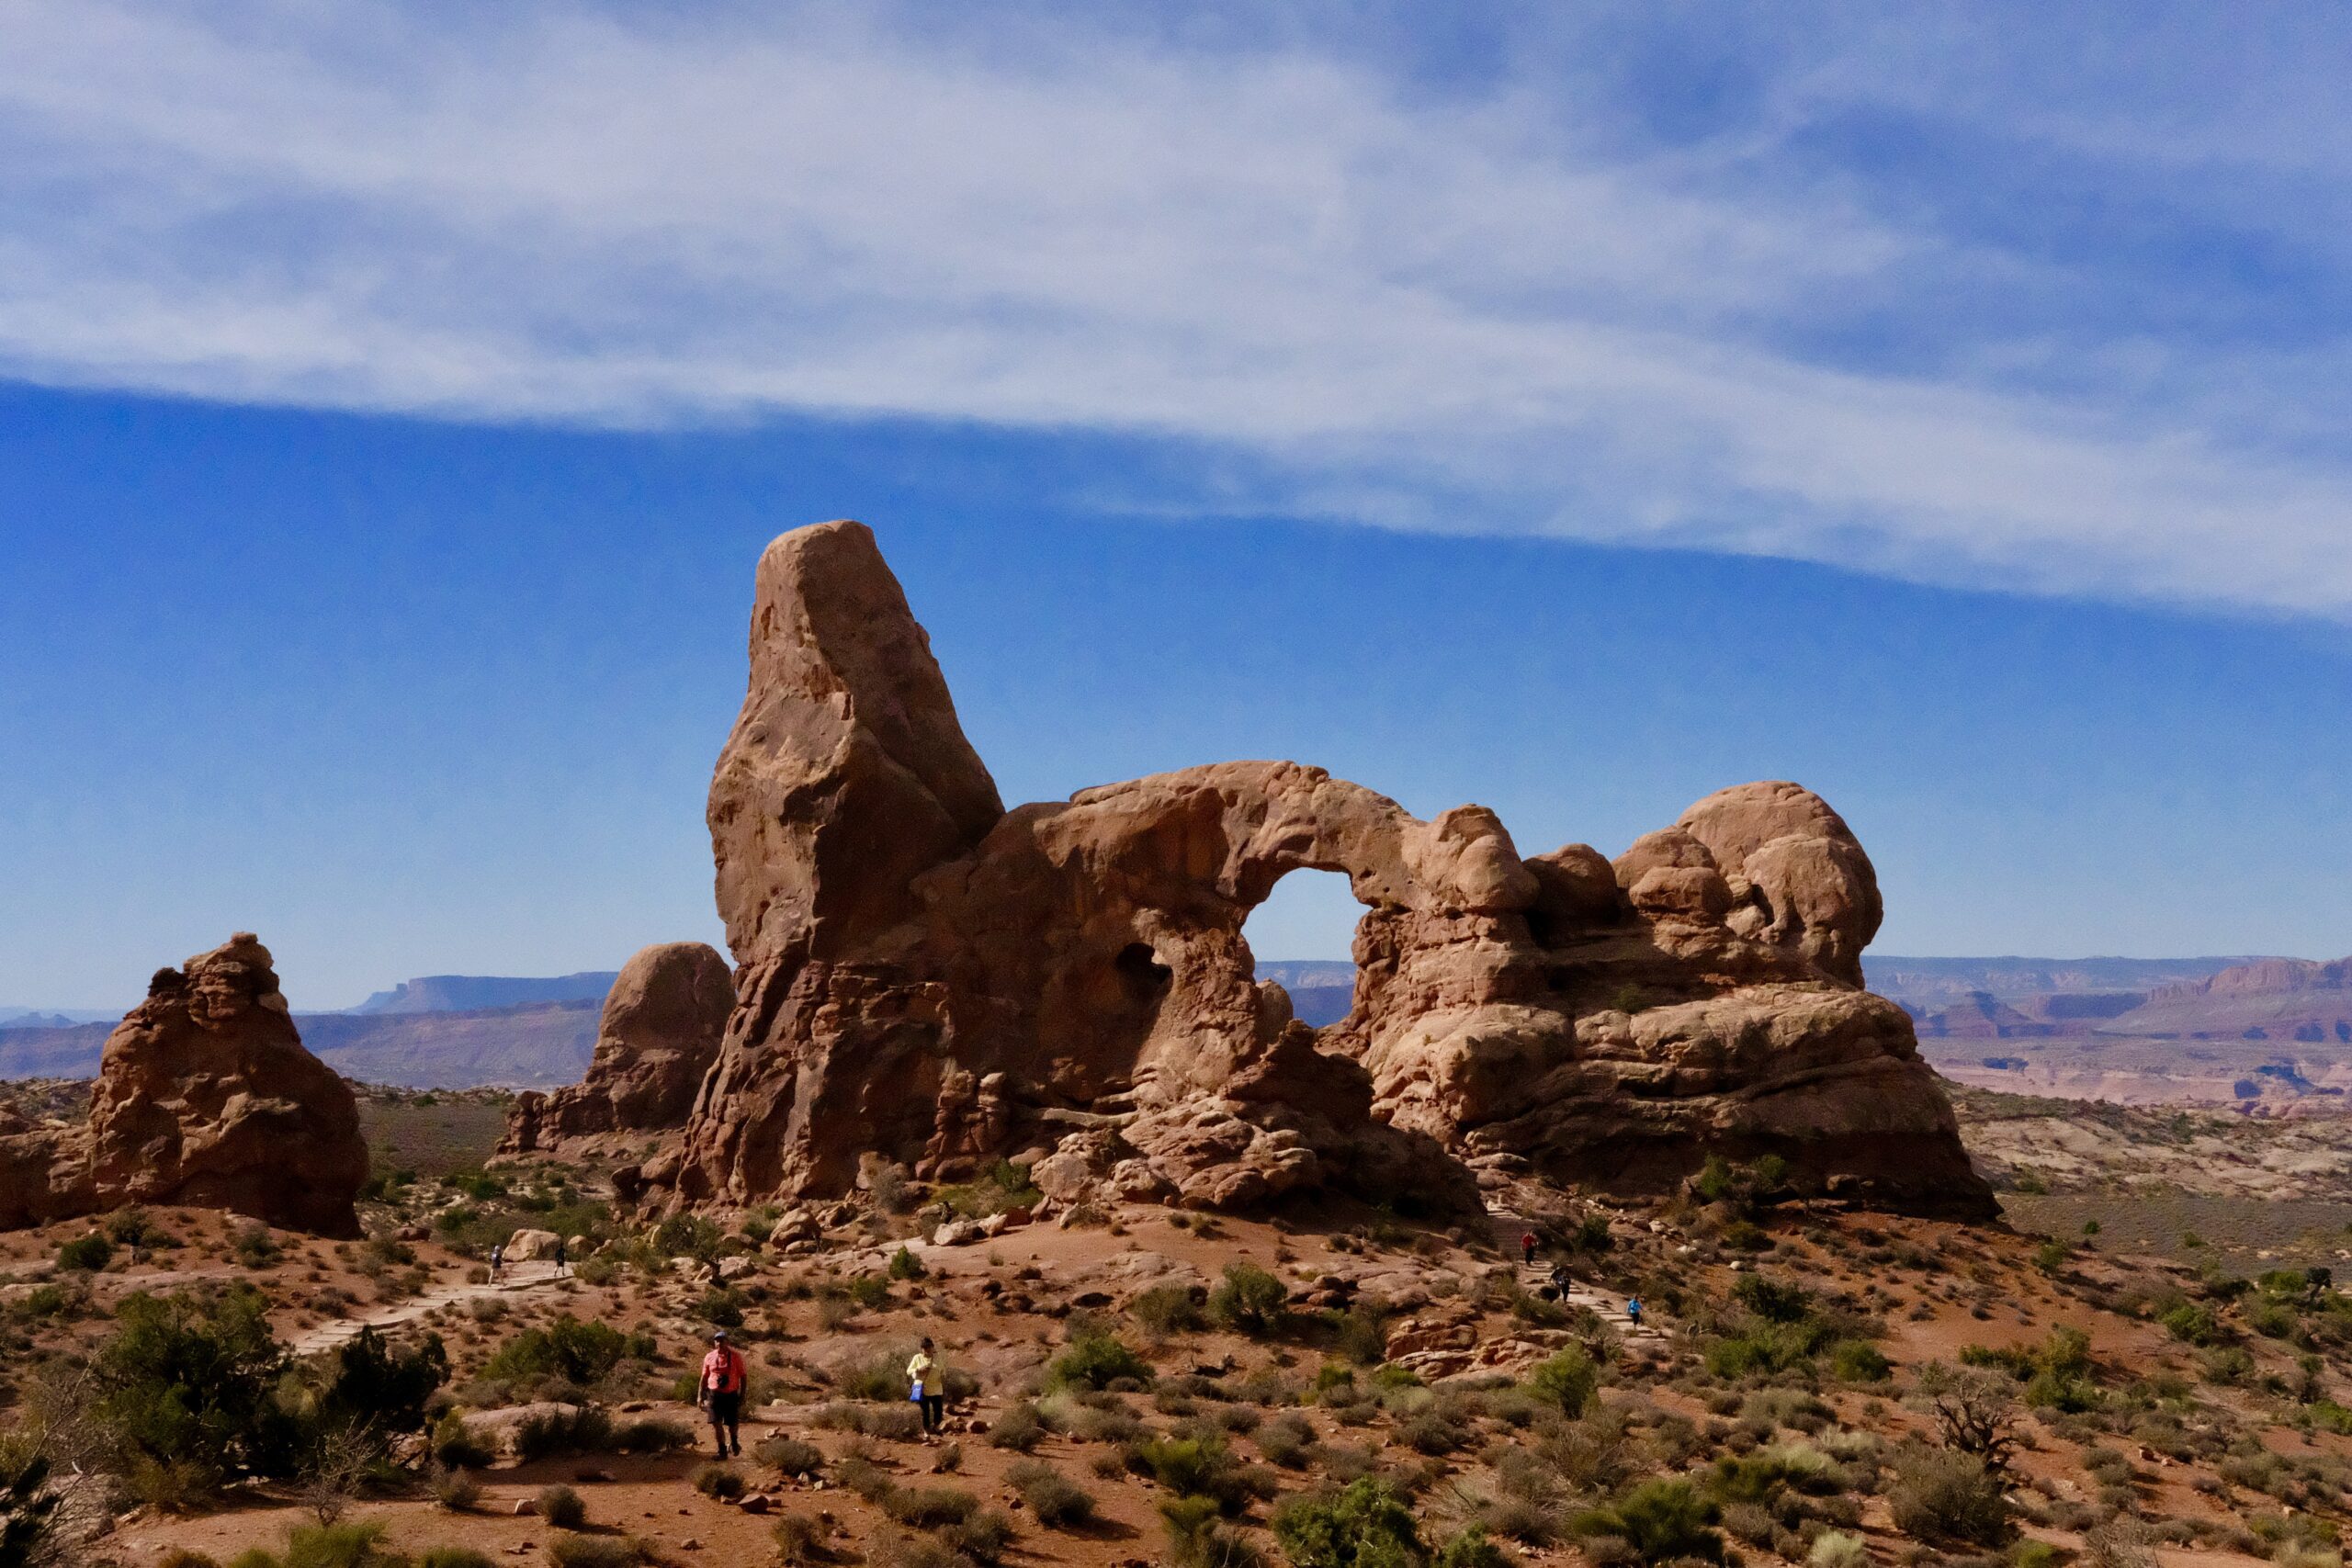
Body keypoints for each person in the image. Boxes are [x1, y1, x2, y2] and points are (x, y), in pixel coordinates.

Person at [698, 1329, 747, 1458]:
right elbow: (704, 1377)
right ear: (715, 1342)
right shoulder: (709, 1357)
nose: (719, 1343)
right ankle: (722, 1451)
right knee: (716, 1423)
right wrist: (700, 1395)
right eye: (717, 1340)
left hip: (731, 1394)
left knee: (732, 1423)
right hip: (714, 1394)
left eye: (722, 1340)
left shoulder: (736, 1356)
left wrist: (742, 1395)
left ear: (727, 1342)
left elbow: (743, 1376)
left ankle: (734, 1442)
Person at [907, 1337, 945, 1439]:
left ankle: (936, 1427)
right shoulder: (917, 1357)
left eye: (929, 1347)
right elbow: (909, 1371)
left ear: (933, 1347)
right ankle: (926, 1431)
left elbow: (942, 1370)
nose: (927, 1350)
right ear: (921, 1349)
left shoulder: (938, 1358)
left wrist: (943, 1376)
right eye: (924, 1348)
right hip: (922, 1389)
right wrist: (918, 1370)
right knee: (925, 1412)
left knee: (939, 1410)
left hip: (937, 1389)